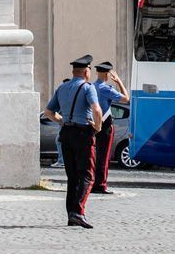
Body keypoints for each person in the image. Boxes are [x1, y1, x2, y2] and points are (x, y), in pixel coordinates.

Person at [45, 54, 103, 228]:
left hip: (66, 133)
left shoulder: (62, 88)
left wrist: (62, 121)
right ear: (86, 72)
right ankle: (78, 212)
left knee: (72, 177)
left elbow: (48, 112)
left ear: (73, 72)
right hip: (82, 134)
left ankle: (71, 214)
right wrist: (98, 127)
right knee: (87, 175)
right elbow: (97, 110)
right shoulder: (88, 88)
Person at [91, 61, 131, 194]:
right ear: (107, 74)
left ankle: (92, 182)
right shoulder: (105, 89)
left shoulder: (92, 86)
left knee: (93, 155)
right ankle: (100, 185)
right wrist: (119, 82)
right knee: (104, 156)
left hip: (92, 124)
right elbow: (126, 98)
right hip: (105, 125)